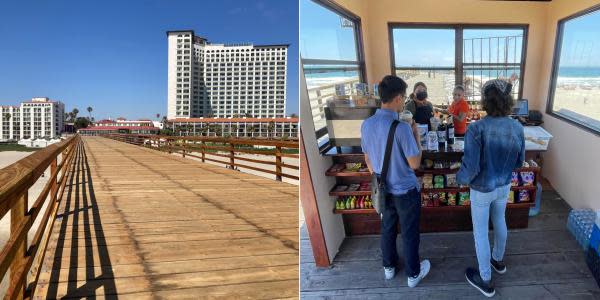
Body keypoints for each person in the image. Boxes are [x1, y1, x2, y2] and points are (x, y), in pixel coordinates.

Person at [456, 79, 525, 298]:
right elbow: (518, 162)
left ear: (486, 101)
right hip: (503, 185)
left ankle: (485, 279)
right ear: (508, 101)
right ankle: (498, 260)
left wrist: (460, 178)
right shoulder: (517, 127)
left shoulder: (476, 129)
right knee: (500, 221)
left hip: (482, 189)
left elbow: (471, 167)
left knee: (480, 233)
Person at [361, 75, 430, 287]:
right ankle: (413, 275)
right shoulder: (401, 128)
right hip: (405, 191)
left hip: (383, 189)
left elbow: (368, 158)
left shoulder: (366, 124)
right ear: (399, 98)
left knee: (388, 228)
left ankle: (389, 268)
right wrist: (416, 135)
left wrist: (380, 176)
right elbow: (415, 163)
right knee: (409, 233)